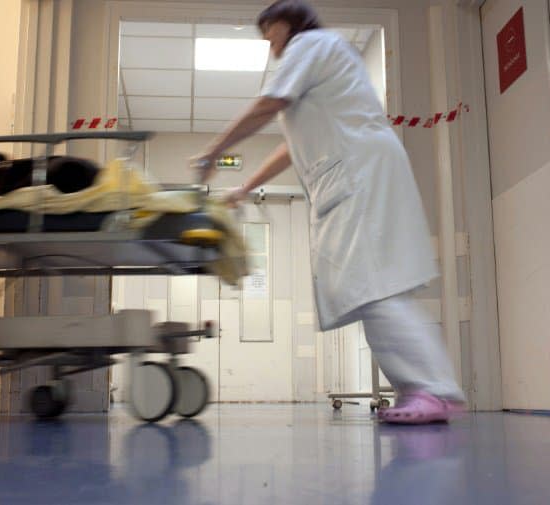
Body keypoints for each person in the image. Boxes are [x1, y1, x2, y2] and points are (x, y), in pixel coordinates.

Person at [190, 0, 465, 424]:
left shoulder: (310, 45)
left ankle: (433, 390)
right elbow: (290, 148)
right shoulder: (320, 60)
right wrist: (245, 186)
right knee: (373, 291)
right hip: (357, 171)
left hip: (357, 173)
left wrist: (213, 151)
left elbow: (269, 104)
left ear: (289, 22)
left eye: (269, 30)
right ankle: (421, 391)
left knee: (375, 290)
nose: (268, 42)